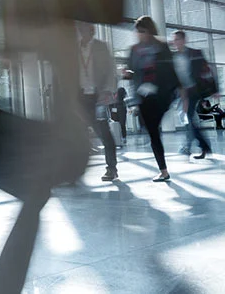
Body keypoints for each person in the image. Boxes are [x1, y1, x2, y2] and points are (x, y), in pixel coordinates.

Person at [123, 16, 179, 182]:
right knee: (153, 132)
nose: (140, 35)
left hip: (161, 95)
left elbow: (171, 70)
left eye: (143, 31)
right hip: (143, 96)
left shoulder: (161, 47)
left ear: (149, 31)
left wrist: (177, 90)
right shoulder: (134, 50)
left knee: (153, 129)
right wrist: (127, 75)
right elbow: (131, 70)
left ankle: (163, 170)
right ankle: (163, 170)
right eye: (138, 32)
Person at [77, 22, 119, 181]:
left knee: (104, 133)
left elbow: (110, 71)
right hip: (80, 96)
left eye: (85, 29)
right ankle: (75, 171)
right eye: (80, 29)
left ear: (92, 30)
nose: (82, 31)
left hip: (97, 96)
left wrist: (108, 91)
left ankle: (112, 168)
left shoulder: (101, 47)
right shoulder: (75, 48)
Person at [172, 30, 214, 159]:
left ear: (184, 40)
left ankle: (201, 146)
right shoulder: (173, 57)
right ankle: (197, 147)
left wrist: (213, 90)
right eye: (174, 40)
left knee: (189, 118)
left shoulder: (195, 54)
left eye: (177, 40)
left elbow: (207, 71)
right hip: (181, 92)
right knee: (188, 119)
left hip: (193, 91)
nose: (175, 43)